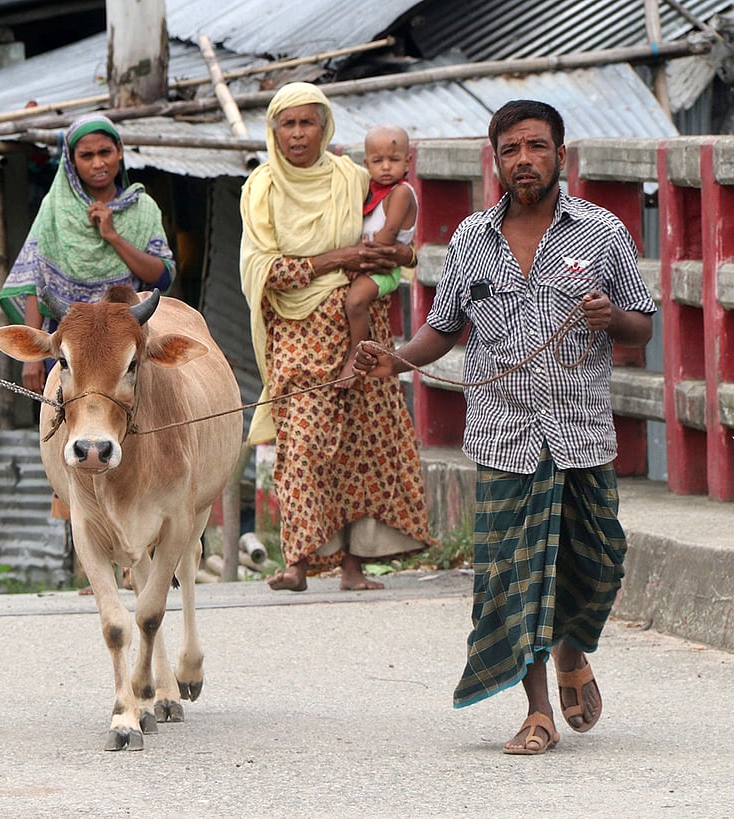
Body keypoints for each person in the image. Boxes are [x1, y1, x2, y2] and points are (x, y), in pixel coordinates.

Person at [354, 99, 655, 754]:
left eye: (536, 147)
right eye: (511, 150)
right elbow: (443, 327)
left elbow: (643, 322)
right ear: (496, 160)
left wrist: (612, 319)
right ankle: (538, 710)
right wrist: (396, 360)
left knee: (602, 559)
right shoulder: (469, 240)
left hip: (580, 431)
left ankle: (573, 647)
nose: (524, 160)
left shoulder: (602, 232)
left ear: (560, 155)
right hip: (504, 436)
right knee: (511, 577)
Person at [239, 82, 435, 593]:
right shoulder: (261, 189)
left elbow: (404, 246)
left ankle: (354, 567)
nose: (299, 133)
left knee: (359, 449)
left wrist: (400, 257)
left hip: (362, 337)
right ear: (274, 130)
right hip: (297, 340)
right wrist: (337, 261)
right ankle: (298, 562)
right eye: (289, 123)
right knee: (301, 447)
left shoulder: (353, 178)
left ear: (326, 128)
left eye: (309, 122)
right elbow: (266, 270)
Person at [0, 112, 175, 395]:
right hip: (71, 341)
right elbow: (37, 279)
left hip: (124, 341)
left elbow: (162, 277)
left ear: (119, 152)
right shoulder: (55, 208)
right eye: (86, 155)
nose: (98, 163)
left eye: (105, 152)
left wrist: (113, 236)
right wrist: (33, 359)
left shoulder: (143, 209)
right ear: (71, 162)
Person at [337, 124, 418, 384]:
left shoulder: (401, 193)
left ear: (408, 162)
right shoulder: (369, 191)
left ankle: (356, 356)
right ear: (366, 163)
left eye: (393, 160)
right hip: (367, 264)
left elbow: (388, 234)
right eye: (378, 160)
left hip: (384, 269)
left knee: (355, 301)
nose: (385, 167)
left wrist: (358, 265)